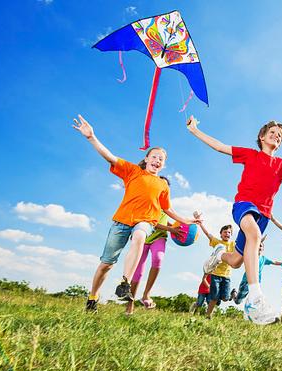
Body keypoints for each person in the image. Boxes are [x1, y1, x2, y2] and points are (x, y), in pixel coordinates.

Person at [187, 116, 282, 324]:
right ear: (262, 137)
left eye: (280, 136)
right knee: (255, 236)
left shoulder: (281, 165)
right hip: (243, 206)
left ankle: (220, 254)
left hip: (263, 215)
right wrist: (195, 131)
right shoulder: (250, 155)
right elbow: (220, 147)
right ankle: (255, 299)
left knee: (236, 261)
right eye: (273, 133)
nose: (277, 137)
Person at [72, 114, 198, 313]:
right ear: (146, 159)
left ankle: (125, 283)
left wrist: (187, 220)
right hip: (122, 221)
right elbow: (110, 156)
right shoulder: (132, 171)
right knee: (106, 264)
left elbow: (167, 209)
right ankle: (92, 297)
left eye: (161, 159)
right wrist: (91, 137)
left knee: (140, 235)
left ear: (163, 165)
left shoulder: (163, 184)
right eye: (154, 156)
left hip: (145, 221)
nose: (157, 160)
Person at [125, 208, 184, 315]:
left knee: (158, 258)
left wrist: (173, 227)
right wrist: (171, 229)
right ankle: (130, 303)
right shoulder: (149, 201)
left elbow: (163, 219)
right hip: (144, 237)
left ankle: (146, 295)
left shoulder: (166, 202)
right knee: (138, 272)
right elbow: (151, 222)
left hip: (159, 236)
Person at [198, 222, 236, 318]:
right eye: (225, 232)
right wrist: (201, 223)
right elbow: (208, 234)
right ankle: (208, 315)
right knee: (214, 297)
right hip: (215, 274)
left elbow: (245, 244)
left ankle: (232, 294)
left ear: (231, 235)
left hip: (226, 275)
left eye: (229, 232)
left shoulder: (233, 244)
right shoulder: (217, 243)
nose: (227, 234)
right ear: (221, 233)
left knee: (224, 298)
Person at [232, 235, 282, 305]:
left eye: (261, 246)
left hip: (256, 282)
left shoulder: (264, 259)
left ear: (263, 249)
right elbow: (250, 245)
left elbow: (274, 262)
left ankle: (255, 311)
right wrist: (260, 240)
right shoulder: (251, 255)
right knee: (238, 301)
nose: (259, 247)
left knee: (256, 297)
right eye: (258, 246)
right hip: (246, 282)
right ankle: (234, 293)